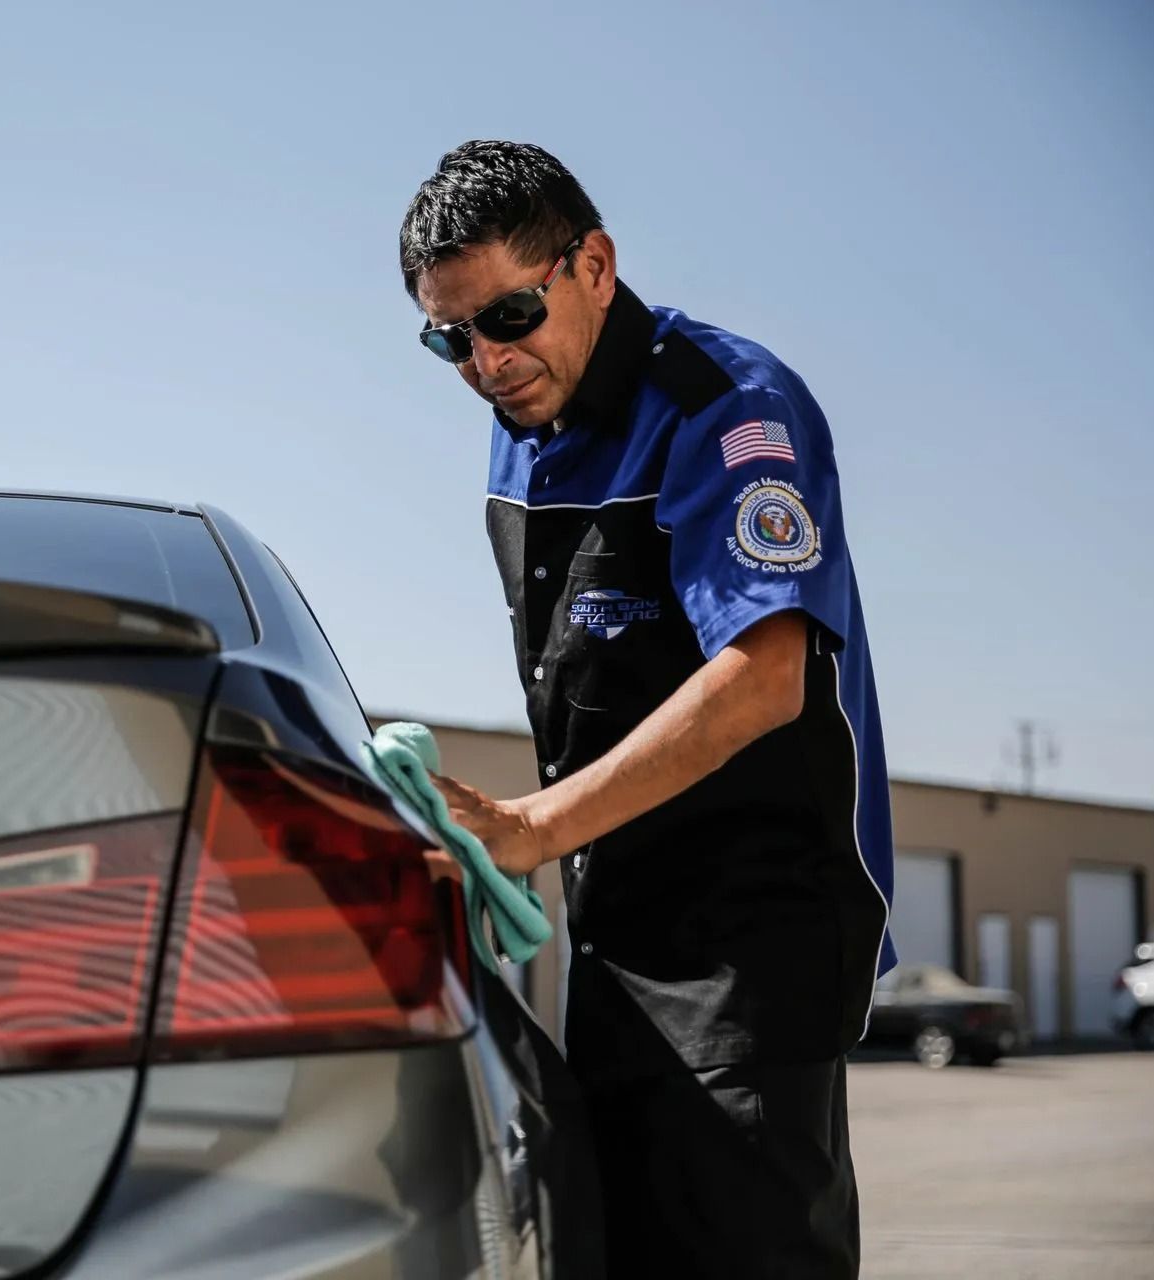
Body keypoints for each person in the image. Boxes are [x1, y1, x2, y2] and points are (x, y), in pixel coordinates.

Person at [398, 139, 896, 1278]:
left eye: (510, 314)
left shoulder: (726, 408)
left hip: (751, 949)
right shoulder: (522, 415)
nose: (485, 359)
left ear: (595, 265)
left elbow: (765, 678)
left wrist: (528, 829)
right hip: (615, 932)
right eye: (450, 336)